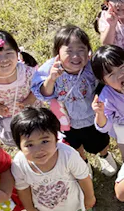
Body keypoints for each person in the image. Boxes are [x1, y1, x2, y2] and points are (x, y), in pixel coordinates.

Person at [11, 107, 97, 211]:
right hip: (47, 208)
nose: (39, 150)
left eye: (45, 141)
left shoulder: (68, 155)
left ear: (56, 138)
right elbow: (22, 188)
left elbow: (83, 177)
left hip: (75, 202)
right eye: (29, 144)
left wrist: (89, 197)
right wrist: (30, 208)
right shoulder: (19, 164)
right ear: (19, 146)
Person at [31, 25, 117, 176]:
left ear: (89, 51)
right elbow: (43, 93)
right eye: (69, 51)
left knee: (101, 140)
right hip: (66, 120)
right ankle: (83, 162)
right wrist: (51, 79)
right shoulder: (50, 69)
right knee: (74, 144)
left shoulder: (92, 66)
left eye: (81, 50)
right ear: (57, 53)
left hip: (93, 116)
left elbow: (104, 83)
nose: (76, 56)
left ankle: (104, 155)